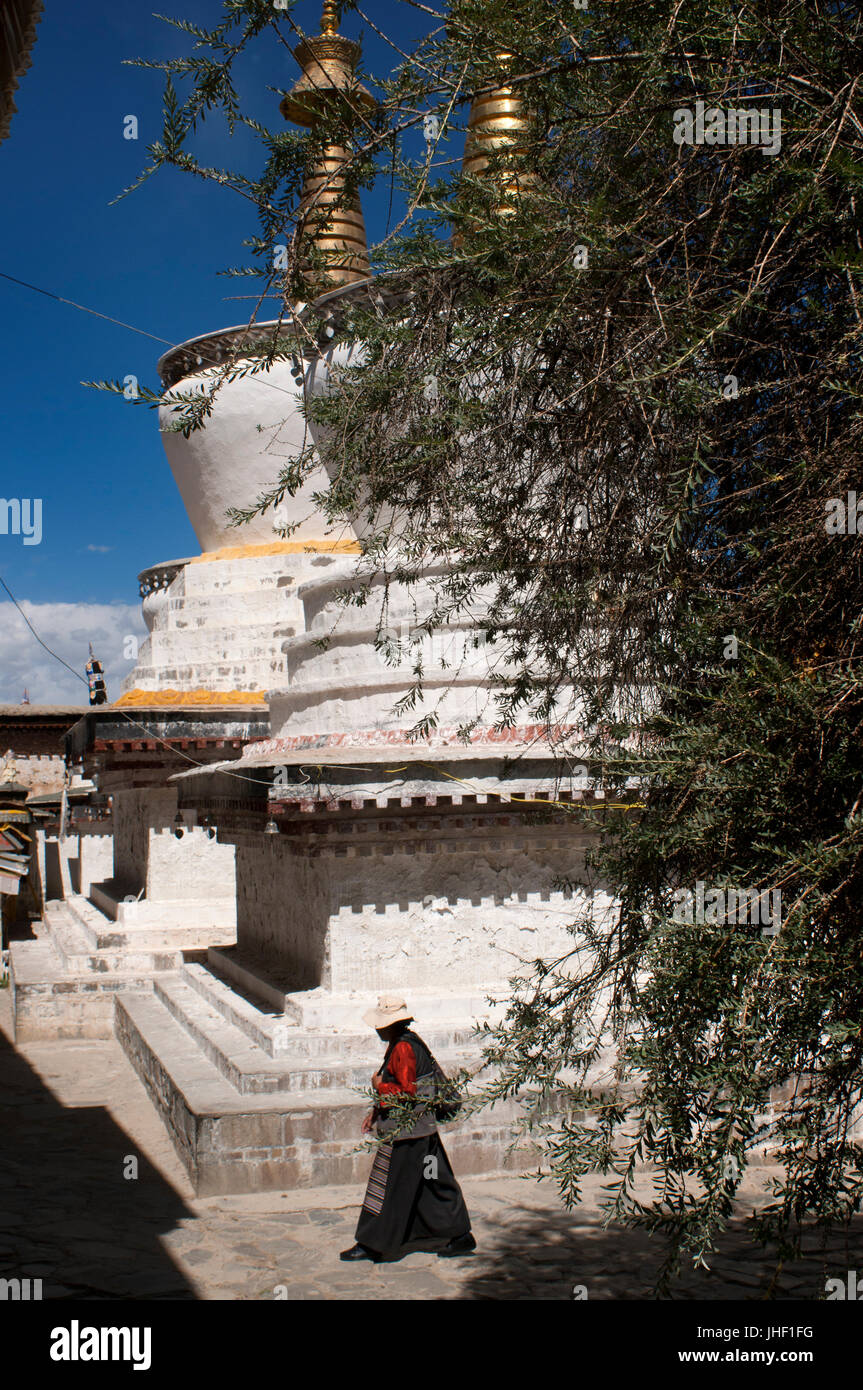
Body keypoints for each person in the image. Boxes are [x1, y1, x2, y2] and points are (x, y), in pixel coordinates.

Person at [340, 994, 477, 1263]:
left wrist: (379, 1087)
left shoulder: (402, 1048)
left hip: (407, 1136)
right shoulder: (407, 1042)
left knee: (389, 1187)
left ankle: (374, 1243)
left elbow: (406, 1091)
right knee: (434, 1182)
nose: (378, 1029)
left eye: (381, 1024)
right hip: (422, 1131)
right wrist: (376, 1112)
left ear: (390, 1025)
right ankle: (460, 1235)